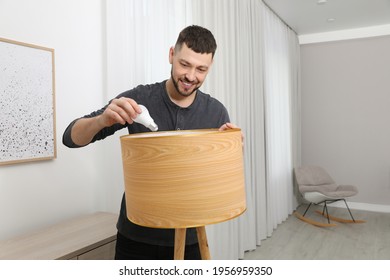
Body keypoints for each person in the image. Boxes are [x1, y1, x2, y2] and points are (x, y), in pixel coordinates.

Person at [62, 25, 239, 260]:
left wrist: (232, 150)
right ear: (171, 55)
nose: (191, 76)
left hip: (190, 238)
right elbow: (70, 139)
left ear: (209, 68)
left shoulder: (216, 112)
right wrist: (102, 120)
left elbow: (219, 181)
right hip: (134, 238)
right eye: (185, 64)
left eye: (201, 69)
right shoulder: (139, 100)